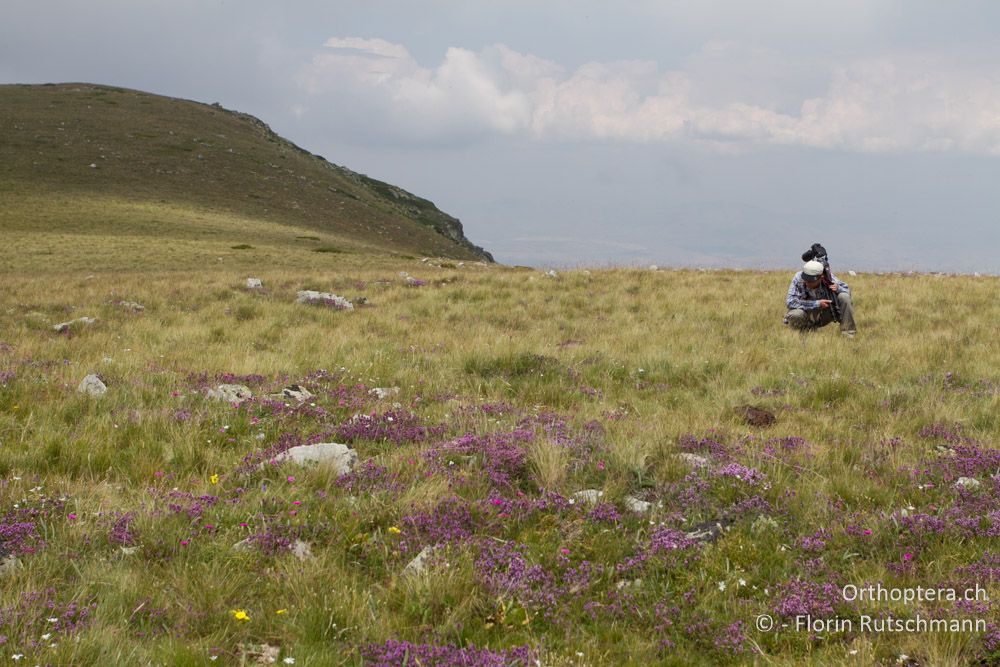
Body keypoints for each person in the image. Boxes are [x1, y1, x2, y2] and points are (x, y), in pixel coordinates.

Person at [784, 259, 857, 336]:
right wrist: (817, 303)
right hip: (804, 312)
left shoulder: (829, 278)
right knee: (795, 315)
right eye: (805, 279)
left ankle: (849, 334)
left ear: (821, 277)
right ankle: (800, 334)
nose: (807, 282)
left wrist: (838, 289)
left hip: (825, 313)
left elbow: (847, 292)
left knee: (844, 297)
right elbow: (790, 302)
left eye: (811, 280)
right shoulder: (798, 277)